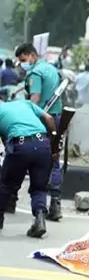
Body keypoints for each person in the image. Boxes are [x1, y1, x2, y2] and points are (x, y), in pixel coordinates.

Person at [15, 43, 63, 221]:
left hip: (41, 119)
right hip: (57, 118)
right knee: (54, 159)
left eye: (23, 60)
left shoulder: (35, 73)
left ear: (31, 55)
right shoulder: (51, 69)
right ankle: (55, 203)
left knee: (33, 160)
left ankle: (28, 204)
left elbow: (34, 99)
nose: (22, 64)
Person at [0, 100, 56, 237]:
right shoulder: (26, 103)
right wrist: (54, 141)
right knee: (39, 188)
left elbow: (4, 139)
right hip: (43, 144)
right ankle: (40, 218)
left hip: (19, 146)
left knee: (6, 185)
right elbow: (48, 118)